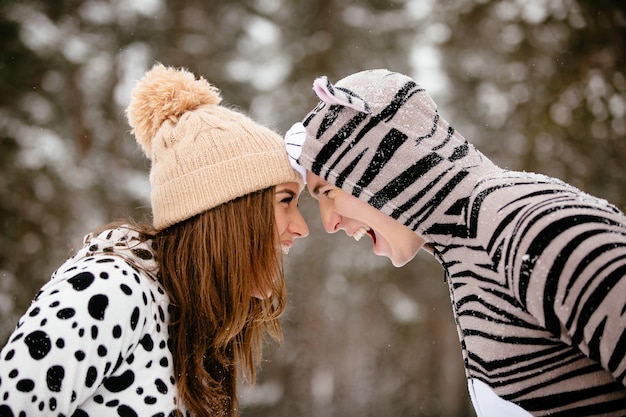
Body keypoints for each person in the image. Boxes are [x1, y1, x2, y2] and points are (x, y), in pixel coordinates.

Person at [284, 69, 626, 416]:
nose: (329, 223)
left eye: (327, 192)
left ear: (377, 166)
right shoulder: (467, 249)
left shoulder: (523, 221)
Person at [0, 63, 308, 417]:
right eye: (285, 200)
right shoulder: (109, 289)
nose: (301, 227)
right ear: (228, 210)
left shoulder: (192, 320)